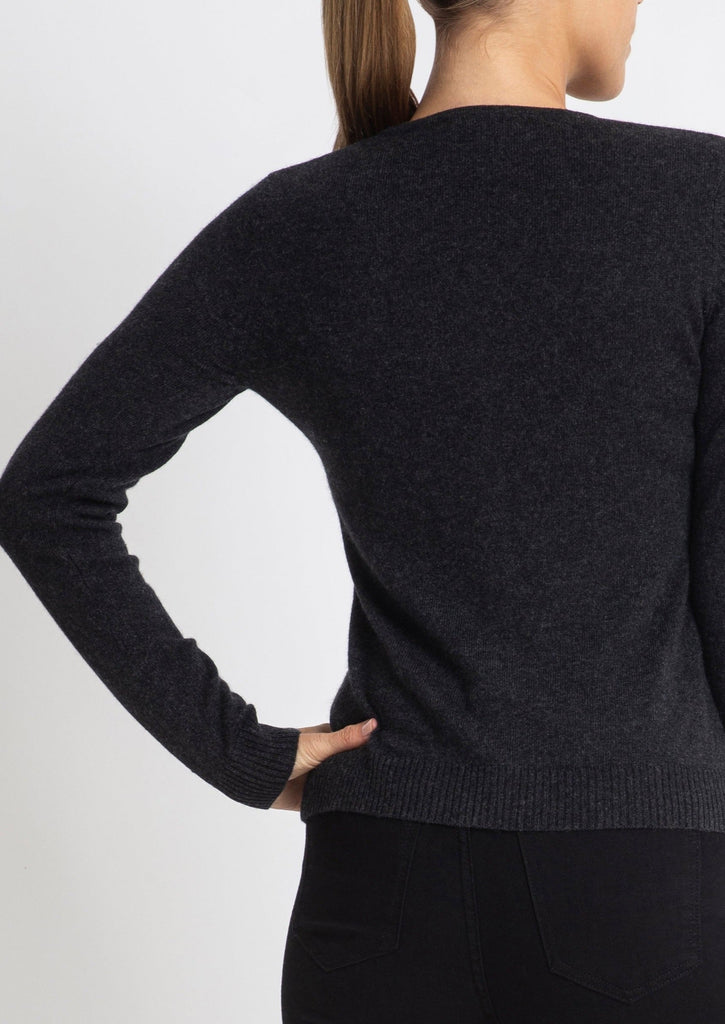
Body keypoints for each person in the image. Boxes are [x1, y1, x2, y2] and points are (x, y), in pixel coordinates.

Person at [1, 0, 725, 1019]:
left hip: (378, 892)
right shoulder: (702, 200)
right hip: (643, 889)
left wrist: (242, 756)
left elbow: (48, 493)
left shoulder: (297, 221)